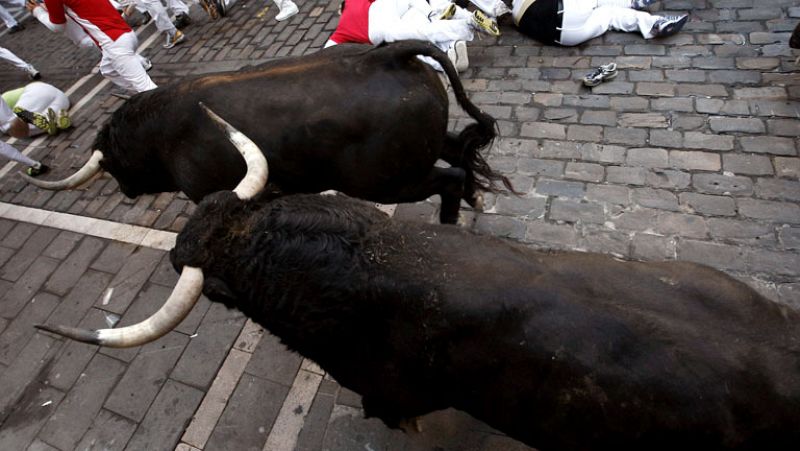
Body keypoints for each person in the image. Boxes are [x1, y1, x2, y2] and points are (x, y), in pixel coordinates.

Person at [326, 0, 500, 72]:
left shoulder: (341, 29)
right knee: (417, 19)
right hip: (386, 8)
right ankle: (447, 37)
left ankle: (466, 26)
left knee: (414, 38)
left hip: (378, 29)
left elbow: (327, 52)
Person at [31, 0, 158, 94]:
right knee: (108, 70)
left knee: (148, 89)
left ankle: (148, 98)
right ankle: (139, 95)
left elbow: (58, 27)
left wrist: (38, 12)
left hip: (113, 42)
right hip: (123, 33)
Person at [512, 0, 689, 46]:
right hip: (568, 12)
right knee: (605, 10)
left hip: (566, 38)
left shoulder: (516, 15)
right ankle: (635, 4)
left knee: (609, 15)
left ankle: (655, 24)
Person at [0, 81, 71, 138]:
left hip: (36, 93)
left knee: (16, 126)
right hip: (62, 98)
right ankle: (58, 120)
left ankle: (50, 123)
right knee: (47, 116)